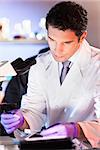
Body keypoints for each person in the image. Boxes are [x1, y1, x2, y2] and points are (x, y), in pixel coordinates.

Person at [1, 1, 100, 148]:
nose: (57, 50)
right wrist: (21, 121)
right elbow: (35, 112)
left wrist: (76, 130)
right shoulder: (40, 63)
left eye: (66, 43)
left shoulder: (97, 64)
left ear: (82, 37)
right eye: (52, 39)